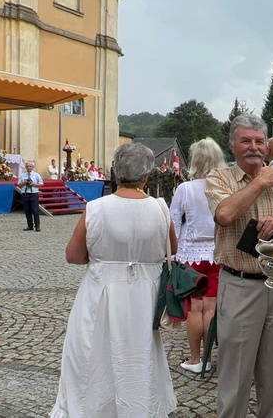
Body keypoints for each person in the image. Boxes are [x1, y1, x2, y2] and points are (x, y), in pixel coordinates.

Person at [51, 143, 178, 417]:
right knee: (140, 355)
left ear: (114, 172)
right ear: (147, 176)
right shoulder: (160, 209)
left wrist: (103, 259)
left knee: (93, 353)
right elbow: (172, 249)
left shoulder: (96, 208)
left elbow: (73, 255)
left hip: (102, 291)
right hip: (145, 295)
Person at [204, 113, 273, 418]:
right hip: (239, 284)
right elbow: (224, 215)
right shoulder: (219, 178)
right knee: (235, 374)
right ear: (232, 145)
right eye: (246, 141)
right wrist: (259, 182)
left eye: (259, 141)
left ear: (267, 146)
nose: (253, 147)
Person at [169, 137, 226, 374]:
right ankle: (208, 357)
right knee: (211, 308)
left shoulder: (185, 189)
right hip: (216, 253)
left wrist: (175, 251)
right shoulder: (224, 187)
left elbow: (173, 222)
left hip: (190, 255)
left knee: (195, 308)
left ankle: (195, 358)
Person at [18, 161, 43, 232]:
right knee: (27, 210)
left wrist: (34, 184)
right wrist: (25, 182)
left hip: (33, 193)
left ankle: (37, 226)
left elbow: (41, 184)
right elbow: (19, 185)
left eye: (30, 166)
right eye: (27, 166)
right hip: (25, 193)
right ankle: (30, 225)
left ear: (32, 167)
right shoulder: (22, 175)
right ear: (26, 167)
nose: (28, 168)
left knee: (35, 210)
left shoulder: (36, 175)